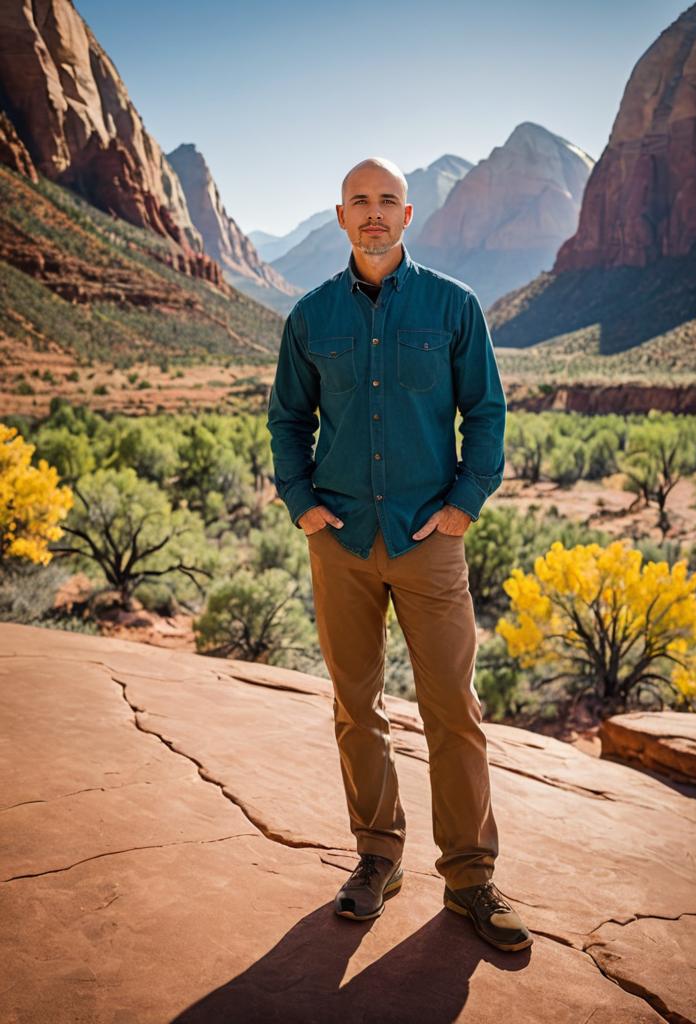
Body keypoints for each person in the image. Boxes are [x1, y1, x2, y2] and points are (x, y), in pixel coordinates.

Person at [266, 156, 532, 952]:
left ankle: (472, 878)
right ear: (340, 216)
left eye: (387, 201)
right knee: (356, 708)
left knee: (454, 709)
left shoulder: (453, 306)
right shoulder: (310, 317)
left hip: (428, 540)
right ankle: (377, 857)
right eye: (360, 202)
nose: (373, 214)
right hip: (339, 541)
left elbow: (486, 412)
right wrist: (302, 503)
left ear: (408, 216)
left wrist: (463, 506)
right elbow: (287, 421)